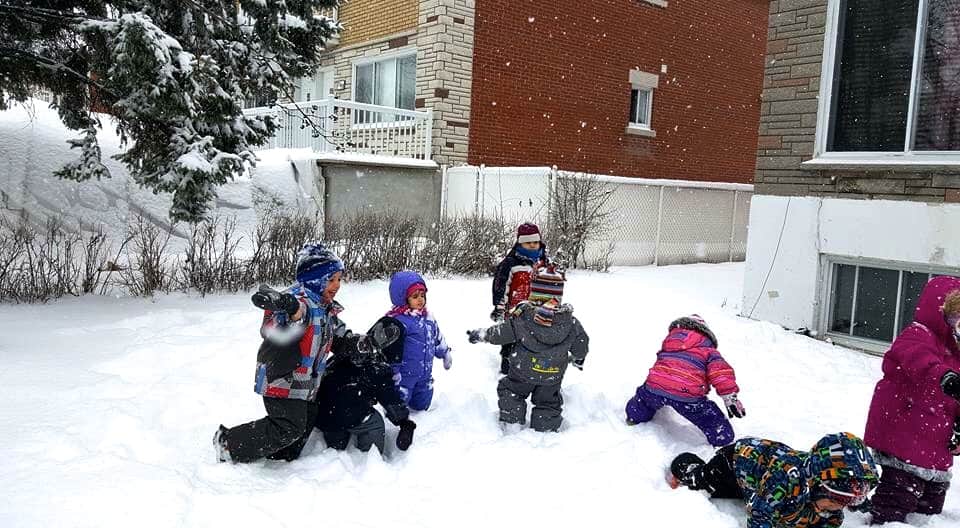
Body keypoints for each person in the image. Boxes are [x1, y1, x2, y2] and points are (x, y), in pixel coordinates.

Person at [212, 242, 359, 463]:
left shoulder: (324, 305)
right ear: (314, 279)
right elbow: (278, 326)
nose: (337, 284)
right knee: (288, 426)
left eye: (339, 278)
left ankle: (283, 454)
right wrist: (289, 309)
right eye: (331, 279)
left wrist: (356, 343)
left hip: (306, 382)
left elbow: (336, 333)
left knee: (305, 420)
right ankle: (229, 443)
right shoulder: (299, 301)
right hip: (283, 378)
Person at [864, 275, 960, 524]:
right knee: (896, 501)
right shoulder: (917, 335)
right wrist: (945, 377)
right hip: (905, 435)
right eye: (954, 317)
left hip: (936, 446)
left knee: (930, 509)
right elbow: (920, 360)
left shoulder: (958, 354)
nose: (957, 326)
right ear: (939, 313)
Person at [669, 432, 880, 528]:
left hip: (762, 475)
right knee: (700, 481)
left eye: (851, 500)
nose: (841, 506)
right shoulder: (785, 479)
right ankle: (691, 465)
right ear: (819, 483)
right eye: (839, 499)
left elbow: (834, 518)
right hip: (733, 464)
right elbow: (759, 515)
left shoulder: (833, 491)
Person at [467, 266, 588, 432]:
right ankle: (545, 428)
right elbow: (581, 342)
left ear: (533, 294)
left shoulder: (523, 317)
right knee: (548, 402)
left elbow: (501, 333)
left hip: (522, 372)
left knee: (511, 391)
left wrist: (481, 335)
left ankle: (512, 421)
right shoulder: (570, 322)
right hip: (552, 375)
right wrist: (578, 358)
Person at [624, 315, 744, 446]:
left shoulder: (668, 345)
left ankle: (634, 416)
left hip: (654, 388)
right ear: (705, 333)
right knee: (709, 418)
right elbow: (720, 373)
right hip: (686, 395)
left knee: (643, 400)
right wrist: (729, 397)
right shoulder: (708, 350)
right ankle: (722, 438)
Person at [314, 318, 417, 454]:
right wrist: (405, 422)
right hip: (345, 413)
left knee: (337, 424)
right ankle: (367, 457)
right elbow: (390, 400)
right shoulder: (378, 367)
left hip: (321, 410)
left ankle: (336, 446)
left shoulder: (351, 348)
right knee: (374, 423)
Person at [386, 270, 452, 411]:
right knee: (399, 403)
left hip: (425, 374)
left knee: (422, 404)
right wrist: (393, 371)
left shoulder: (428, 318)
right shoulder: (397, 322)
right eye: (415, 296)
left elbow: (437, 337)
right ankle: (398, 419)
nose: (420, 299)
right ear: (403, 298)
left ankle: (421, 416)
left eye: (423, 295)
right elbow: (391, 350)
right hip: (403, 376)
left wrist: (445, 352)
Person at [491, 222, 549, 374]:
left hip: (538, 310)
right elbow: (501, 287)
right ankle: (508, 362)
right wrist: (499, 307)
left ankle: (532, 364)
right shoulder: (511, 263)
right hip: (514, 311)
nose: (532, 245)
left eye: (535, 242)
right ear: (520, 242)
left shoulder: (543, 263)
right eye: (527, 242)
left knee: (535, 338)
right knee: (511, 337)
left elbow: (550, 286)